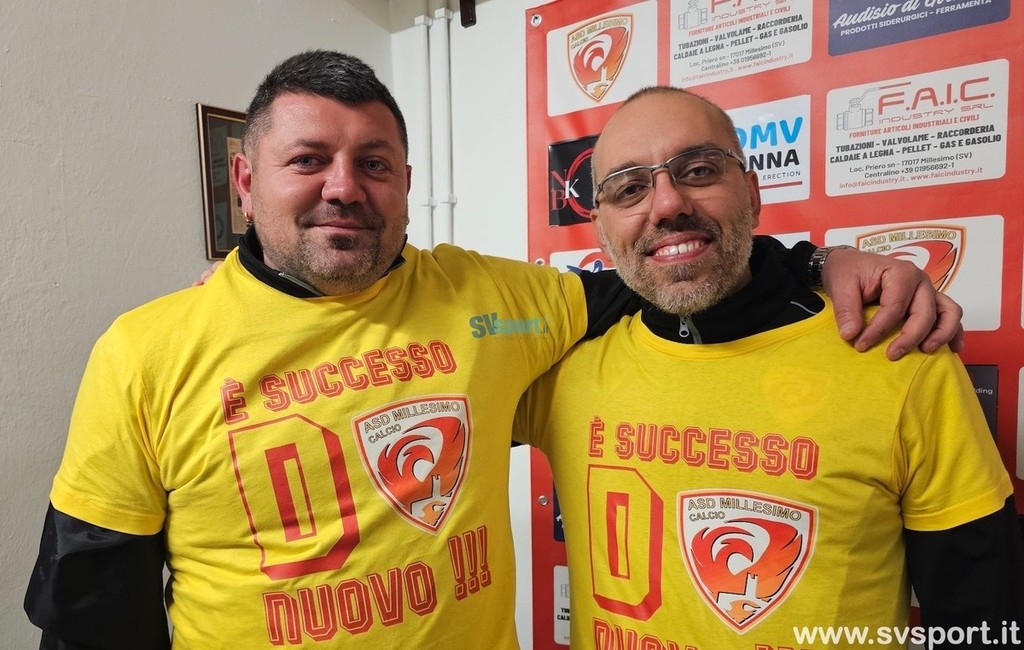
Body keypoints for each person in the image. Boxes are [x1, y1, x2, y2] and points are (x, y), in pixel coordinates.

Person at [23, 51, 964, 650]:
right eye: (307, 160)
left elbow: (662, 271)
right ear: (244, 180)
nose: (343, 188)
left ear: (406, 182)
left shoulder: (492, 304)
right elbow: (89, 610)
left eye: (374, 164)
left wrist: (821, 262)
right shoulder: (147, 352)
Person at [514, 86, 1024, 650]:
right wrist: (817, 259)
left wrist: (817, 261)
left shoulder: (897, 354)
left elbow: (981, 619)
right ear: (600, 232)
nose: (668, 205)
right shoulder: (559, 367)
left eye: (699, 171)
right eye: (630, 188)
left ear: (753, 194)